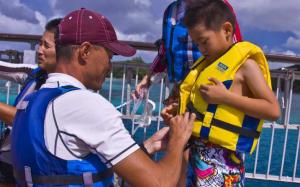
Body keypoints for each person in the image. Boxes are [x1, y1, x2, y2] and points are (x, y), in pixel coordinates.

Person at [11, 8, 196, 187]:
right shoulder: (85, 104)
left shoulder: (30, 101)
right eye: (109, 55)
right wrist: (178, 142)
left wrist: (147, 147)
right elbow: (160, 183)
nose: (109, 66)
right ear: (85, 51)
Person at [162, 0, 281, 186]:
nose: (201, 49)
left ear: (226, 30)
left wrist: (226, 97)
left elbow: (273, 110)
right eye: (197, 44)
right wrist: (177, 110)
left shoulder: (246, 67)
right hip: (195, 156)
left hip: (224, 165)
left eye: (204, 41)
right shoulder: (203, 67)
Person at [133, 0, 242, 104]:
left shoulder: (219, 7)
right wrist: (147, 79)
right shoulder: (171, 11)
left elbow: (236, 49)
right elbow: (164, 50)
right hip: (180, 90)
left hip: (212, 90)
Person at [0, 18, 61, 186]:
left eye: (46, 46)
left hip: (34, 168)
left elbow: (24, 120)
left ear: (64, 50)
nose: (39, 50)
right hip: (8, 159)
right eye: (39, 44)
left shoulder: (65, 89)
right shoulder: (34, 74)